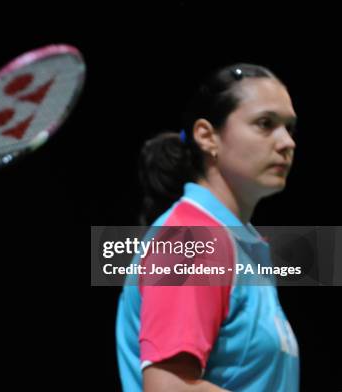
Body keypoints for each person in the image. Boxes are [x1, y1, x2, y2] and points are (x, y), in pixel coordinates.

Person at [116, 63, 300, 391]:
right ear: (207, 136)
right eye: (265, 124)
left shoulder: (238, 243)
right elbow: (169, 386)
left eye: (290, 127)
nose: (287, 142)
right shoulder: (192, 239)